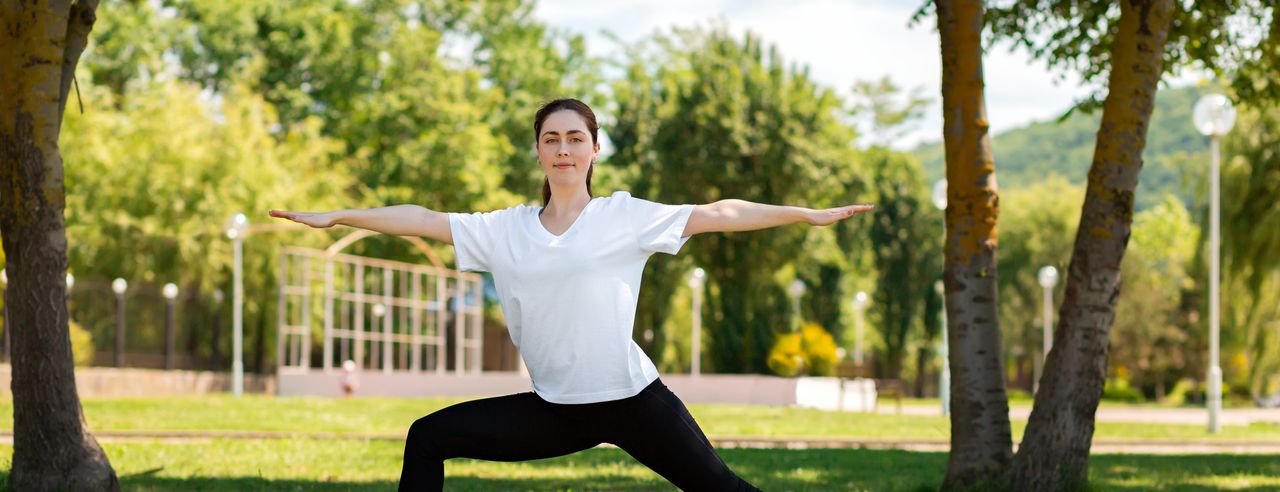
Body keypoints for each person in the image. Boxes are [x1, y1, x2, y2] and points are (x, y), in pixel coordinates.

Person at [269, 98, 873, 491]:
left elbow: (721, 211)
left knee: (726, 491)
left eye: (575, 138)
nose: (563, 148)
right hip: (555, 409)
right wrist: (341, 216)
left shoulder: (625, 216)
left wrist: (804, 215)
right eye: (552, 138)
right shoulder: (501, 230)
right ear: (538, 149)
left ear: (593, 150)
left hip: (635, 400)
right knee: (426, 436)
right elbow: (420, 218)